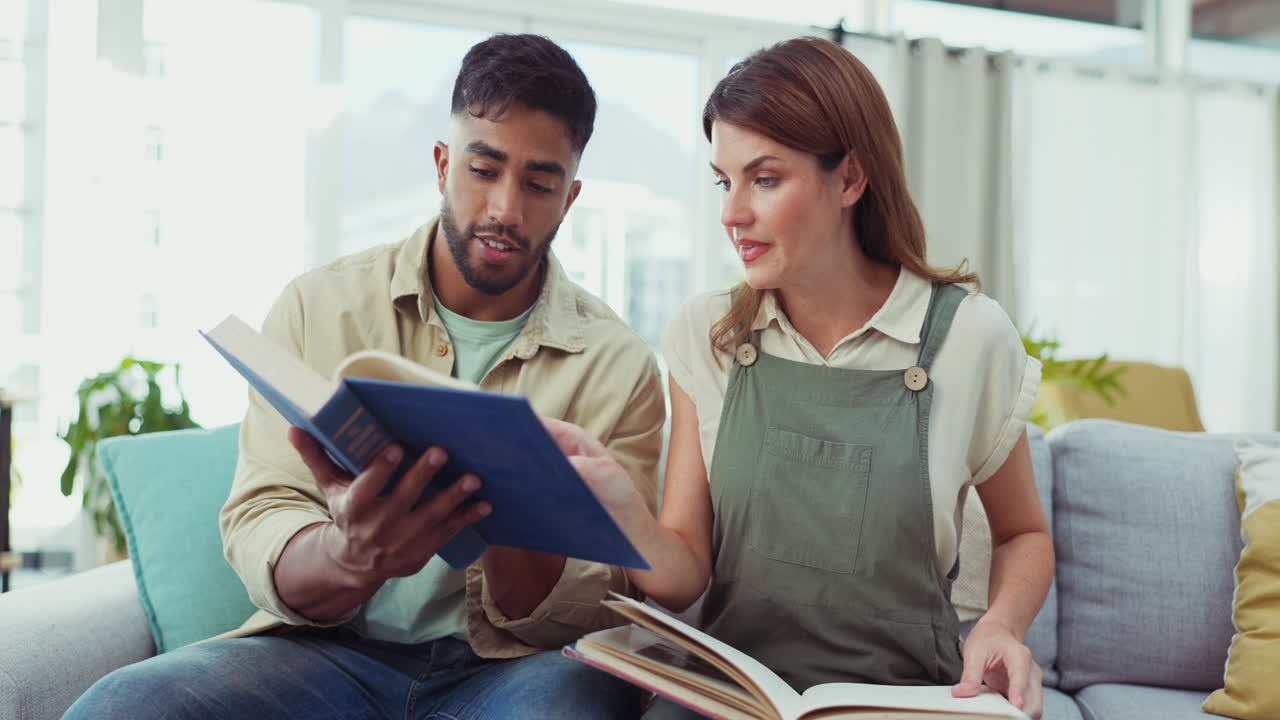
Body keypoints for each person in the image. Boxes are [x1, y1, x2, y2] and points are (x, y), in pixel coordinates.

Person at [64, 33, 665, 720]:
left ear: (570, 197)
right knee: (122, 706)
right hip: (324, 653)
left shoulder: (621, 367)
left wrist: (510, 525)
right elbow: (264, 514)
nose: (505, 209)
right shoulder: (318, 307)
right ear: (443, 165)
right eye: (483, 169)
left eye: (538, 183)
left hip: (515, 673)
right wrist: (350, 556)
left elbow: (611, 597)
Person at [544, 36, 1051, 719]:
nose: (732, 213)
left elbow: (1025, 533)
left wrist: (999, 625)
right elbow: (681, 574)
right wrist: (620, 503)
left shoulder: (970, 338)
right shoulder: (709, 335)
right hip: (732, 700)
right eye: (726, 180)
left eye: (766, 178)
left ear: (849, 179)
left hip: (905, 700)